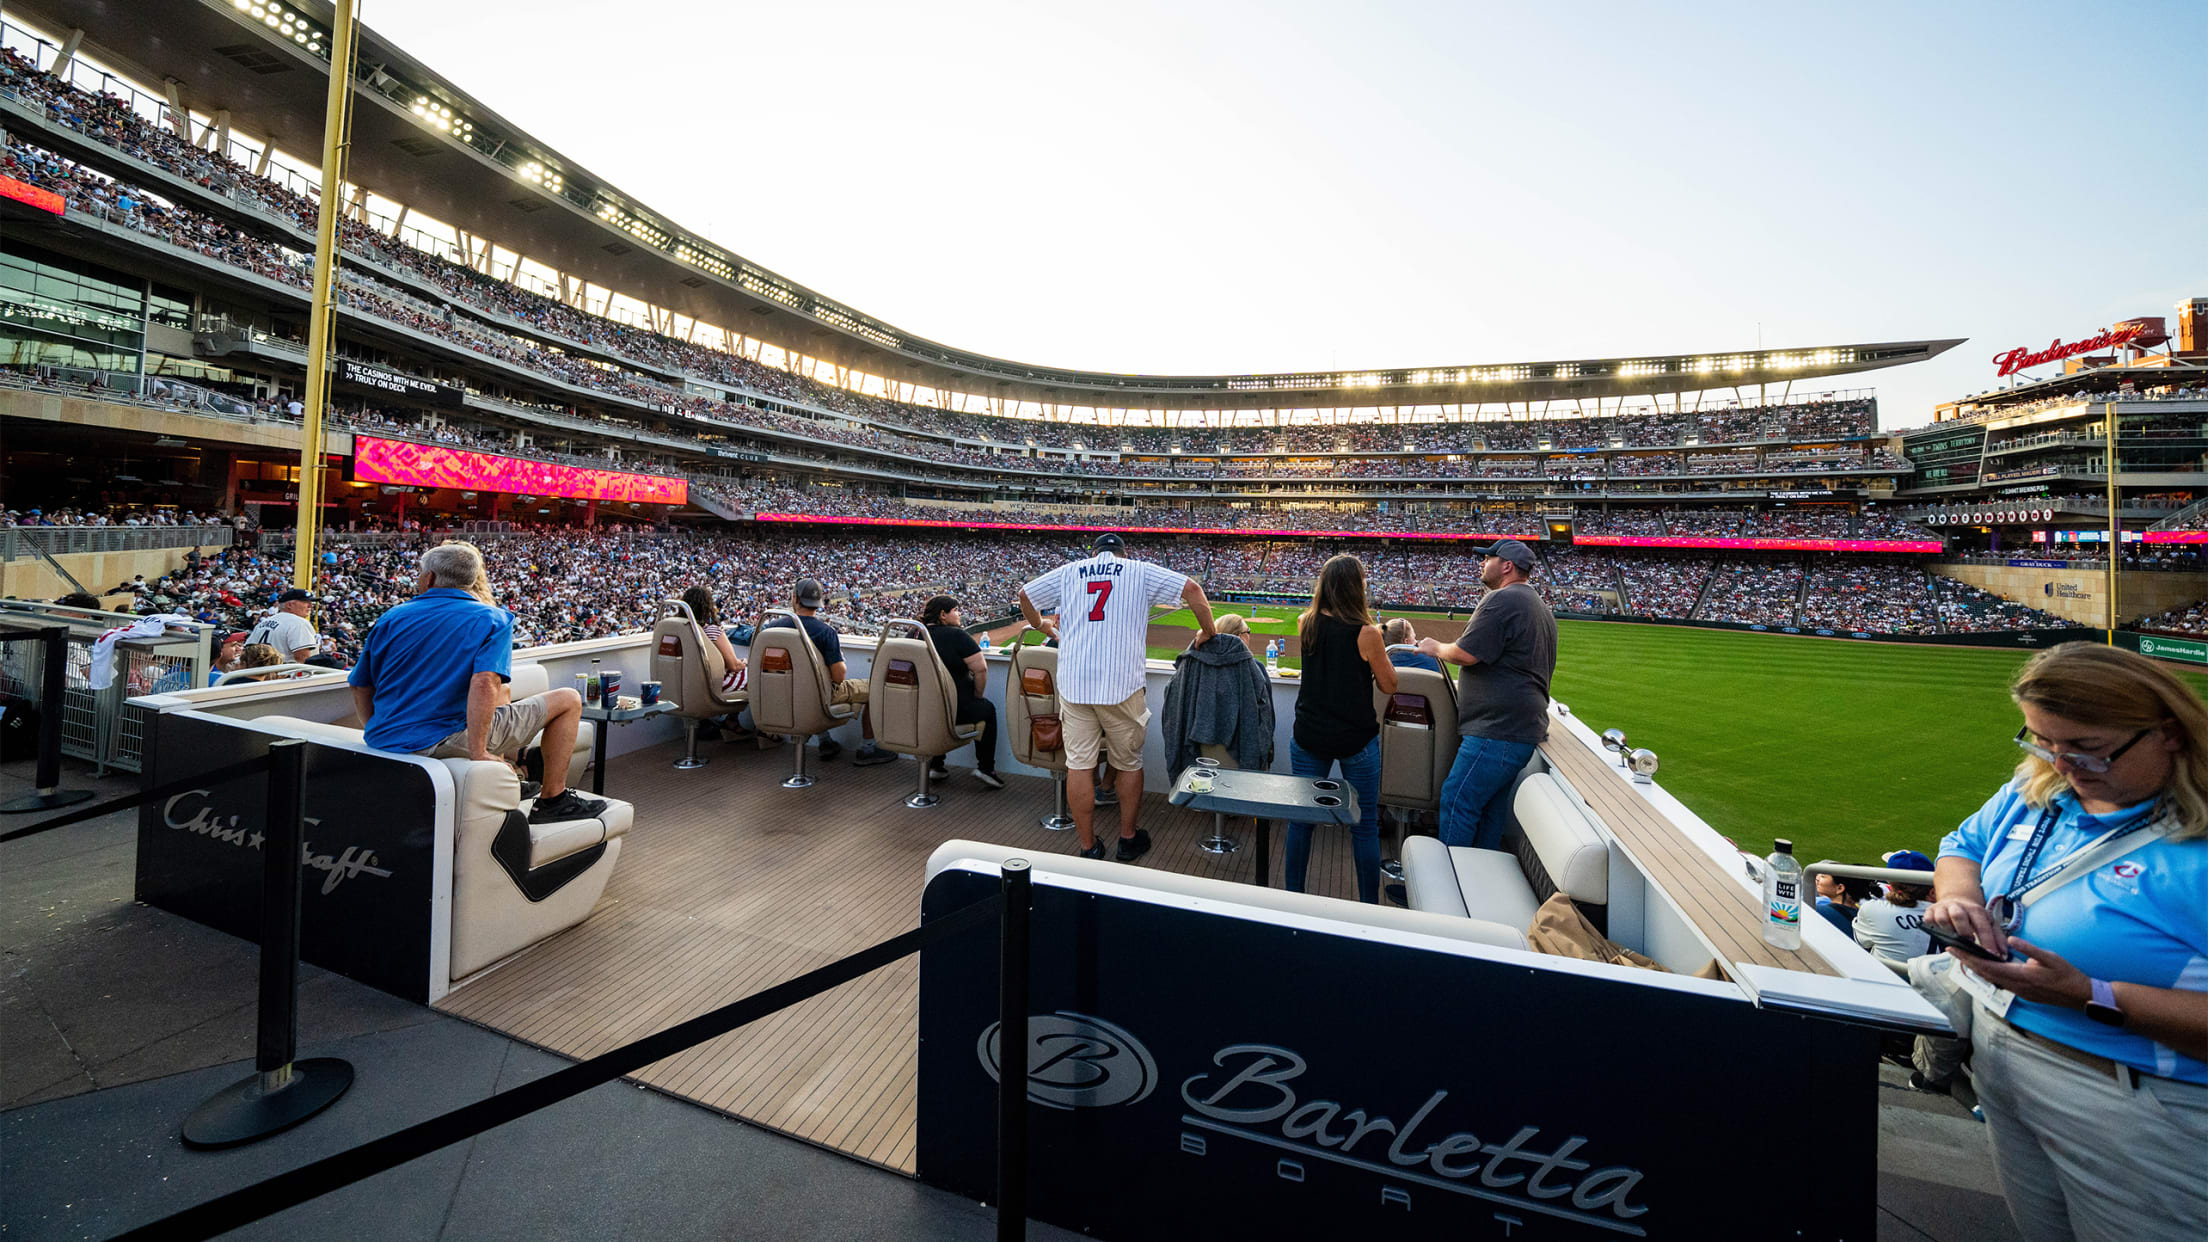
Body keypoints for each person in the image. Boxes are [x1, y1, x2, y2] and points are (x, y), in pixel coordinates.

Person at [1923, 643, 2208, 1241]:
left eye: (2087, 748)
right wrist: (1958, 899)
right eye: (2042, 741)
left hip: (2136, 1101)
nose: (2062, 762)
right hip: (2001, 1060)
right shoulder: (2042, 788)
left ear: (2170, 734)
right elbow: (1962, 847)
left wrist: (2088, 994)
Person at [347, 542, 605, 824]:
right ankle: (553, 800)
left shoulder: (391, 618)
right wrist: (478, 751)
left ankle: (524, 769)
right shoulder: (493, 619)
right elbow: (484, 683)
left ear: (430, 578)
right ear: (470, 580)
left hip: (385, 739)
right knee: (568, 699)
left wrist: (378, 730)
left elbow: (361, 685)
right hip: (445, 738)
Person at [1018, 532, 1214, 862]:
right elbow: (1193, 590)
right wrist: (1209, 632)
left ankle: (1088, 846)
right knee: (1128, 764)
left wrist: (1041, 625)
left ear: (1092, 553)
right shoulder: (1138, 570)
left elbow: (1025, 594)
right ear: (1123, 553)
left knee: (1079, 766)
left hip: (1075, 683)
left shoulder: (1071, 571)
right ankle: (1127, 838)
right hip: (1121, 683)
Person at [1419, 540, 1559, 851]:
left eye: (1489, 558)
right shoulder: (1536, 604)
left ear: (1507, 566)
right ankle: (1475, 880)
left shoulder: (1503, 600)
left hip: (1498, 730)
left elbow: (1467, 654)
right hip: (1517, 728)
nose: (1483, 564)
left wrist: (1435, 648)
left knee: (1457, 799)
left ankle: (1449, 882)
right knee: (1489, 811)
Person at [1285, 555, 1397, 902]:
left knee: (1301, 820)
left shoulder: (1307, 622)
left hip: (1310, 733)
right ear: (1356, 587)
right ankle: (1369, 906)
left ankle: (1294, 898)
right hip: (1355, 738)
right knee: (1363, 828)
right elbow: (1389, 684)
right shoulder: (1367, 633)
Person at [762, 578, 889, 764]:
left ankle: (825, 741)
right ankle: (868, 749)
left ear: (795, 599)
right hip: (817, 698)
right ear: (819, 603)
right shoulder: (825, 632)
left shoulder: (770, 628)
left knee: (809, 688)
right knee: (873, 688)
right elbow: (838, 677)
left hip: (779, 695)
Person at [920, 594, 1003, 789]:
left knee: (937, 702)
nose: (959, 614)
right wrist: (978, 696)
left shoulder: (914, 634)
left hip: (919, 708)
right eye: (956, 610)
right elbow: (981, 669)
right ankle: (986, 768)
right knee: (987, 709)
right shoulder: (957, 635)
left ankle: (935, 764)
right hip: (955, 709)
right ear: (943, 615)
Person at [1854, 849, 1935, 966]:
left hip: (1888, 980)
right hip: (1937, 981)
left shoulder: (1873, 909)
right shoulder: (1951, 912)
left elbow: (1862, 944)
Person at [679, 585, 750, 695]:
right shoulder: (712, 631)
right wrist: (745, 662)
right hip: (716, 685)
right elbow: (734, 666)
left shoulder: (681, 631)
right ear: (707, 607)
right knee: (760, 675)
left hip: (689, 684)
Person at [246, 588, 320, 663]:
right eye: (306, 602)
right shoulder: (299, 623)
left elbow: (247, 651)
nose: (311, 606)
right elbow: (302, 657)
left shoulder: (263, 623)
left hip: (261, 672)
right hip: (287, 672)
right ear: (289, 605)